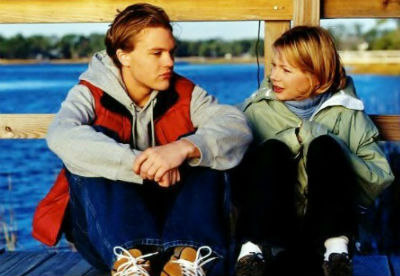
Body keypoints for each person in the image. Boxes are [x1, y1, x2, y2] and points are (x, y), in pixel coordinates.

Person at [32, 3, 252, 276]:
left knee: (202, 147)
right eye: (157, 53)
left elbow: (235, 126)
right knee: (93, 145)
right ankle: (131, 262)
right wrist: (142, 163)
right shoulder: (90, 93)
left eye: (171, 52)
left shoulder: (185, 92)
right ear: (124, 56)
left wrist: (182, 149)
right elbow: (61, 135)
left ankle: (186, 260)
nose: (169, 62)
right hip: (109, 239)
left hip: (175, 234)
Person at [233, 26, 394, 276]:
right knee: (272, 150)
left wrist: (326, 142)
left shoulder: (348, 113)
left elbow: (380, 177)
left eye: (286, 70)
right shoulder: (255, 110)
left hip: (323, 237)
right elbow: (232, 171)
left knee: (325, 146)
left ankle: (336, 251)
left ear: (317, 78)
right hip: (271, 235)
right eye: (274, 66)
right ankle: (251, 252)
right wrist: (292, 138)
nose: (274, 76)